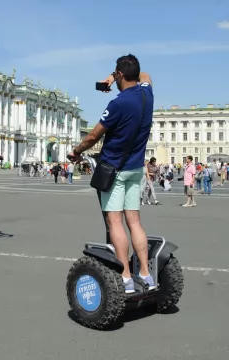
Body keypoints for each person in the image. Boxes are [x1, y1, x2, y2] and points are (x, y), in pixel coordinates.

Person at [68, 54, 154, 293]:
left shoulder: (118, 103)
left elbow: (93, 136)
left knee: (114, 222)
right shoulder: (148, 94)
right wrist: (115, 75)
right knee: (134, 221)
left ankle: (125, 276)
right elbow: (146, 76)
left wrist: (75, 152)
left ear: (120, 75)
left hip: (114, 169)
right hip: (136, 168)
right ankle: (146, 274)